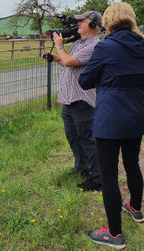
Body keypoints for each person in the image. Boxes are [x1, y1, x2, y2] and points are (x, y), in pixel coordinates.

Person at [78, 2, 144, 249]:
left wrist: (103, 79)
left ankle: (114, 234)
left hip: (110, 119)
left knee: (109, 176)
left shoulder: (105, 47)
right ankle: (136, 209)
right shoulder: (142, 45)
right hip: (136, 115)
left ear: (108, 21)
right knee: (132, 165)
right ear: (130, 19)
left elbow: (85, 80)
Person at [44, 11, 103, 191]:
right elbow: (69, 62)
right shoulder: (78, 43)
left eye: (81, 21)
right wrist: (55, 57)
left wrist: (59, 47)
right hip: (69, 99)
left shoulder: (94, 45)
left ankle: (97, 179)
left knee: (87, 139)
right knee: (73, 137)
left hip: (82, 100)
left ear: (93, 25)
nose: (77, 23)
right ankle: (82, 168)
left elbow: (69, 61)